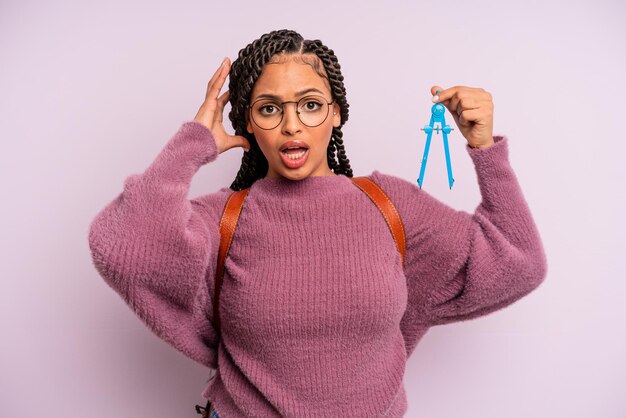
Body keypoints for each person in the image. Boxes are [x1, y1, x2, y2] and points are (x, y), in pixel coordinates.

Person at [87, 29, 548, 417]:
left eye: (309, 105)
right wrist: (193, 143)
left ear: (336, 113)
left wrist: (486, 149)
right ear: (249, 122)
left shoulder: (390, 206)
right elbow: (122, 250)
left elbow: (518, 262)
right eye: (270, 109)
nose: (292, 126)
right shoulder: (222, 218)